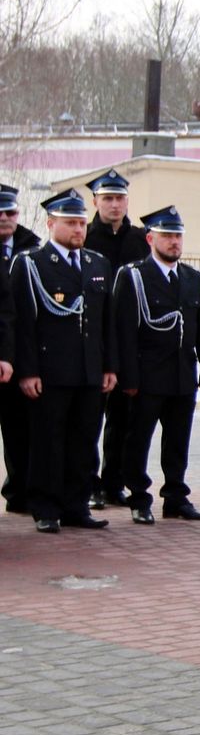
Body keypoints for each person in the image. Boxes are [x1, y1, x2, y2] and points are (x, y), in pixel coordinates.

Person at [8, 189, 117, 533]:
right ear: (51, 223)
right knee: (48, 442)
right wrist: (27, 371)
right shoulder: (31, 264)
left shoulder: (96, 263)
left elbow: (105, 322)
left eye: (82, 223)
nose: (78, 230)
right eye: (70, 223)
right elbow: (24, 323)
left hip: (88, 369)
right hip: (50, 370)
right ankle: (46, 507)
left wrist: (109, 366)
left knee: (84, 441)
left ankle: (76, 505)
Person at [111, 206, 200, 524]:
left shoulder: (192, 278)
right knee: (138, 439)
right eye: (167, 235)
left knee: (178, 440)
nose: (174, 242)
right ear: (150, 238)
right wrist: (128, 376)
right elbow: (124, 331)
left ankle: (175, 497)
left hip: (182, 374)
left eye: (178, 236)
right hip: (146, 374)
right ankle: (139, 497)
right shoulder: (133, 277)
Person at [84, 168, 149, 510]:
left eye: (119, 198)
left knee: (123, 419)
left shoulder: (139, 239)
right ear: (95, 201)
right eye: (107, 198)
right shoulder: (86, 238)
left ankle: (113, 482)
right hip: (92, 340)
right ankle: (90, 483)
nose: (114, 204)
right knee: (90, 419)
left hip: (129, 341)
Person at [0, 182, 42, 514]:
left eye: (10, 211)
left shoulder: (32, 249)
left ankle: (21, 493)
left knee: (20, 430)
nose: (5, 217)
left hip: (22, 353)